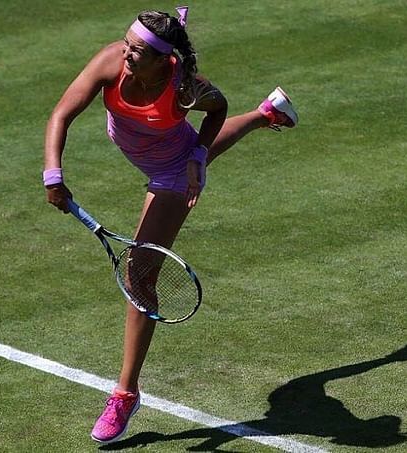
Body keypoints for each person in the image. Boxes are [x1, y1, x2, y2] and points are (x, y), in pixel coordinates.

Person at [43, 7, 298, 445]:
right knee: (197, 151)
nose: (127, 54)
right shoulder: (111, 62)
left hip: (172, 172)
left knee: (139, 274)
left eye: (138, 50)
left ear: (165, 60)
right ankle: (266, 114)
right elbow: (61, 114)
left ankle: (125, 393)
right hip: (153, 149)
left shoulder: (184, 90)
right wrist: (53, 174)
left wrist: (197, 157)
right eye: (127, 43)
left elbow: (217, 109)